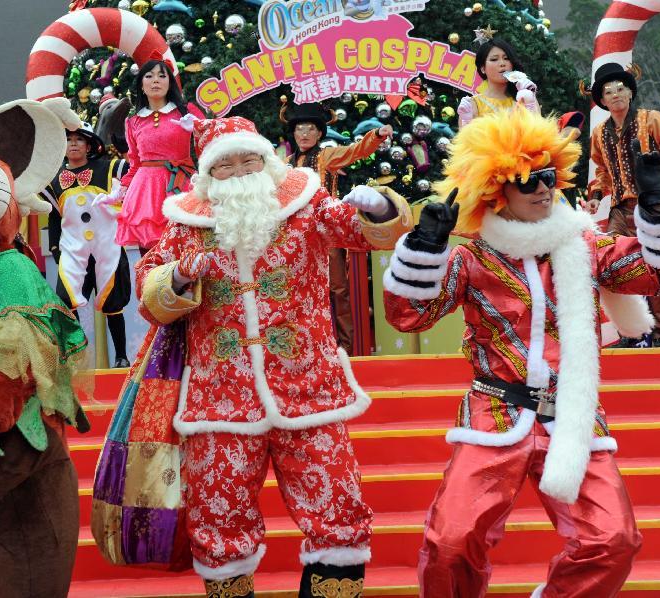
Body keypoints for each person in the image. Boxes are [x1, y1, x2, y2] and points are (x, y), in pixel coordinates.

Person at [383, 106, 660, 597]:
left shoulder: (586, 247)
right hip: (494, 412)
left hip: (572, 415)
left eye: (548, 176)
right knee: (451, 544)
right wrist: (423, 247)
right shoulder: (471, 258)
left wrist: (657, 209)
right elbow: (409, 316)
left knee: (614, 540)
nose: (544, 188)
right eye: (528, 179)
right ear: (495, 191)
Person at [135, 116, 412, 597]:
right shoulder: (185, 224)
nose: (240, 172)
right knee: (219, 517)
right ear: (206, 175)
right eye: (225, 166)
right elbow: (148, 292)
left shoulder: (307, 205)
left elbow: (368, 234)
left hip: (310, 389)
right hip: (219, 401)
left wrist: (381, 207)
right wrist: (178, 277)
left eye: (250, 160)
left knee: (337, 507)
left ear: (268, 162)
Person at [584, 62, 660, 348]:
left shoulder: (651, 119)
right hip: (619, 209)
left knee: (657, 267)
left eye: (620, 88)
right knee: (616, 269)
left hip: (651, 207)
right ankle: (629, 332)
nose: (615, 94)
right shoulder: (600, 133)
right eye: (608, 91)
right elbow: (601, 169)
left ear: (630, 92)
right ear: (602, 100)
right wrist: (595, 195)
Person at [283, 101, 393, 354]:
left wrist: (376, 135)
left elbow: (356, 151)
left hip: (326, 233)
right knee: (298, 289)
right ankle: (306, 346)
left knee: (337, 289)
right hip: (296, 235)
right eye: (300, 129)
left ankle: (345, 348)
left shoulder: (326, 157)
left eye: (310, 128)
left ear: (320, 133)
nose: (304, 134)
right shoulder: (285, 163)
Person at [43, 122, 132, 368]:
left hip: (108, 247)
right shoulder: (54, 181)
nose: (73, 143)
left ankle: (122, 356)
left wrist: (127, 148)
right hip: (73, 250)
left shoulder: (108, 168)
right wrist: (55, 249)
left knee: (113, 304)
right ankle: (78, 357)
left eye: (79, 139)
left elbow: (138, 170)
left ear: (89, 145)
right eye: (68, 139)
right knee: (66, 301)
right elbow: (53, 214)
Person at [114, 52, 203, 253]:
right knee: (150, 254)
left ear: (170, 83)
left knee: (186, 250)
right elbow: (135, 163)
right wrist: (121, 189)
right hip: (145, 191)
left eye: (162, 76)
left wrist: (199, 127)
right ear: (141, 85)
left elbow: (209, 144)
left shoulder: (186, 111)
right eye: (149, 76)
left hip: (181, 184)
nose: (156, 80)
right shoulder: (133, 121)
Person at [457, 36, 539, 128]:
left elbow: (537, 133)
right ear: (483, 68)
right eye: (494, 59)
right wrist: (466, 120)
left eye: (506, 58)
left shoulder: (524, 98)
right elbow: (466, 140)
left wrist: (530, 100)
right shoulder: (472, 105)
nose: (502, 63)